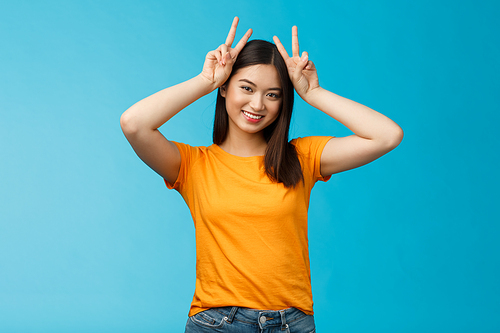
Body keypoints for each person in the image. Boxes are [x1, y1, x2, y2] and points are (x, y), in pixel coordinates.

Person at [120, 17, 403, 333]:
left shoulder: (302, 158)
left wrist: (314, 93)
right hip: (216, 323)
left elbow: (387, 135)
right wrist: (205, 80)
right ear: (225, 87)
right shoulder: (193, 165)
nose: (258, 104)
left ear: (284, 101)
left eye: (273, 94)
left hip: (290, 323)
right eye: (246, 88)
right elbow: (134, 123)